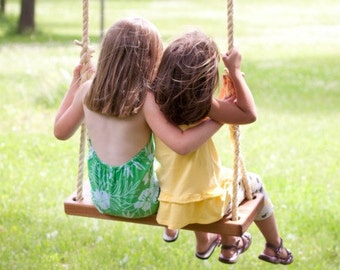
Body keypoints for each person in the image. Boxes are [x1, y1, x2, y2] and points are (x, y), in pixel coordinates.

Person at [54, 17, 222, 219]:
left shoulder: (87, 91)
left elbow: (60, 132)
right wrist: (217, 121)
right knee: (185, 190)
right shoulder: (144, 100)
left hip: (101, 199)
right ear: (151, 59)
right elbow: (181, 145)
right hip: (139, 203)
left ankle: (179, 232)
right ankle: (188, 232)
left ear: (107, 54)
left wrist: (76, 82)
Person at [151, 30, 293, 265]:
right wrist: (236, 74)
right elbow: (248, 114)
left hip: (171, 201)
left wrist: (220, 102)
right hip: (205, 205)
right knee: (253, 184)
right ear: (204, 79)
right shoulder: (205, 105)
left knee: (220, 178)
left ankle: (221, 245)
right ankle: (273, 246)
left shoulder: (154, 101)